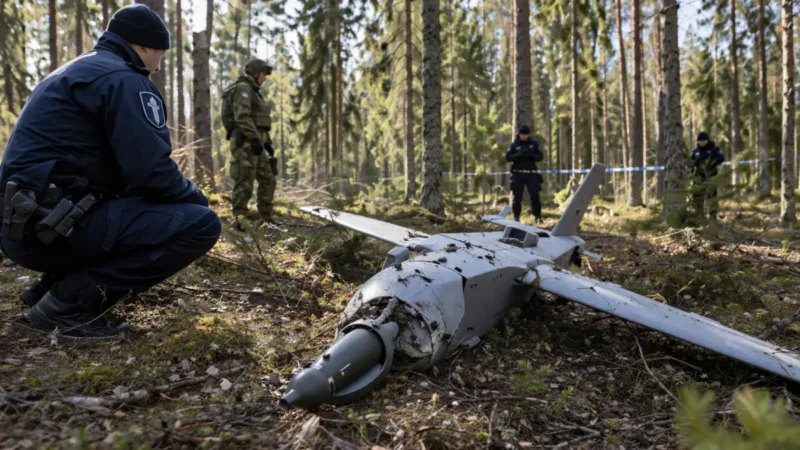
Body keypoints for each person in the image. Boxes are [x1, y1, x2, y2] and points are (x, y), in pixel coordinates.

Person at [0, 4, 221, 337]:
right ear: (144, 45)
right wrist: (196, 197)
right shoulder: (125, 80)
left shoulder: (73, 71)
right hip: (52, 230)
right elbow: (153, 172)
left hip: (23, 229)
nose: (159, 65)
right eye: (159, 54)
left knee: (125, 201)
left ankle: (49, 288)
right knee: (201, 224)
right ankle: (66, 305)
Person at [221, 58, 277, 231]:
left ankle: (266, 217)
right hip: (245, 142)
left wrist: (266, 144)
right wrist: (253, 139)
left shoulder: (253, 91)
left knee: (268, 179)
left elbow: (258, 122)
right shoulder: (243, 89)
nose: (264, 79)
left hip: (256, 142)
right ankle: (240, 221)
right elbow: (242, 117)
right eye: (263, 75)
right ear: (255, 74)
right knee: (244, 179)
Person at [506, 124, 544, 224]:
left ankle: (538, 216)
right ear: (519, 134)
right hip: (518, 174)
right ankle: (516, 217)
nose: (524, 136)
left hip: (531, 174)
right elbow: (508, 157)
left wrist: (531, 155)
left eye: (526, 134)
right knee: (517, 196)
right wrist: (518, 154)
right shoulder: (514, 145)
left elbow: (540, 156)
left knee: (535, 196)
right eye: (523, 134)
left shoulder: (534, 144)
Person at [688, 132, 725, 219]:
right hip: (698, 178)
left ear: (707, 140)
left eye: (703, 141)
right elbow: (689, 163)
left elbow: (721, 158)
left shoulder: (714, 149)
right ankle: (700, 216)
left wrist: (711, 161)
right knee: (697, 198)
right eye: (700, 141)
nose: (701, 143)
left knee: (711, 197)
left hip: (711, 176)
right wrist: (694, 162)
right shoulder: (696, 151)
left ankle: (712, 217)